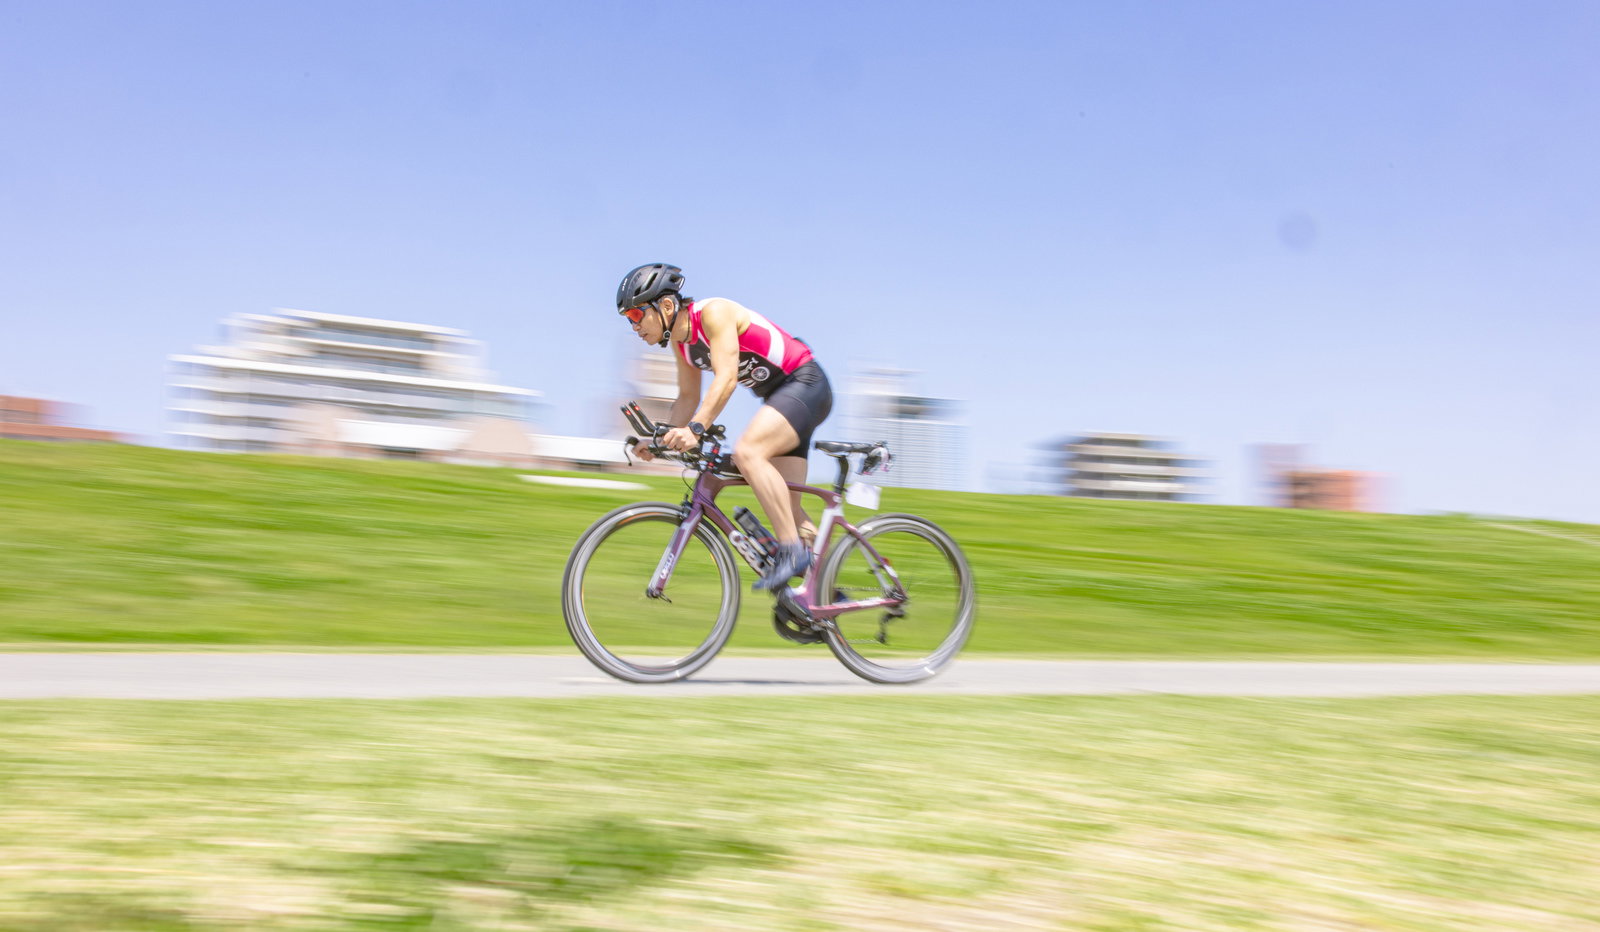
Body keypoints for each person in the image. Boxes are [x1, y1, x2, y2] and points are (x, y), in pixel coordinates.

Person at [616, 262, 832, 592]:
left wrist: (695, 430)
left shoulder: (713, 314)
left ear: (667, 305)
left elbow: (727, 378)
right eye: (628, 319)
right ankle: (822, 595)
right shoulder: (682, 344)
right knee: (788, 508)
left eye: (636, 315)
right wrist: (659, 441)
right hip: (783, 397)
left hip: (805, 384)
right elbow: (688, 398)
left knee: (748, 453)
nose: (634, 326)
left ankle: (791, 554)